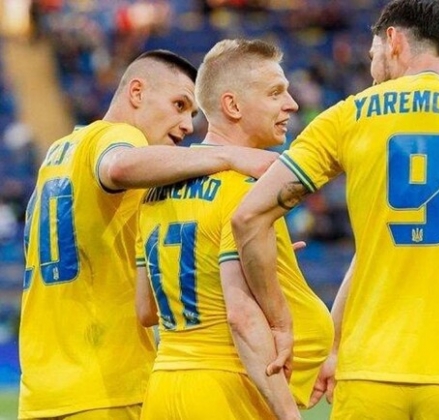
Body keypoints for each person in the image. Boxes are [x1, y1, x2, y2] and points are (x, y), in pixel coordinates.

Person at [232, 1, 439, 419]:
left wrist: (282, 323)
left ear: (393, 41)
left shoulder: (347, 116)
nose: (372, 63)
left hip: (368, 375)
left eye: (373, 51)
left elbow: (248, 216)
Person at [19, 49, 280, 420]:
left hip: (42, 393)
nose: (187, 126)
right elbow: (119, 165)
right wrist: (228, 156)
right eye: (179, 105)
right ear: (137, 92)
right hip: (107, 387)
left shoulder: (60, 151)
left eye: (191, 114)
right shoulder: (118, 135)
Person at [135, 39, 333, 420]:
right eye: (275, 93)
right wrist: (289, 414)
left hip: (164, 389)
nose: (292, 104)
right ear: (233, 106)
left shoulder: (154, 191)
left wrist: (257, 261)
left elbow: (147, 309)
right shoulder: (245, 192)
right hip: (228, 392)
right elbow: (241, 316)